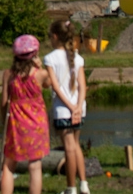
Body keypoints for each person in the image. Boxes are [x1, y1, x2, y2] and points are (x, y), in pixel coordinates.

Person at [0, 34, 51, 194]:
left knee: (8, 165)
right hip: (37, 124)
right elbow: (49, 85)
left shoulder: (8, 74)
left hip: (16, 124)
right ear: (35, 53)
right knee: (35, 166)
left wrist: (4, 121)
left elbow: (3, 102)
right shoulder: (40, 75)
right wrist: (40, 66)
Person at [44, 20, 89, 194]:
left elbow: (55, 86)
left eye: (50, 36)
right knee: (76, 145)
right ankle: (83, 183)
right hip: (80, 107)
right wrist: (78, 107)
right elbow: (83, 85)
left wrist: (70, 107)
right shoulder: (78, 58)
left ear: (55, 37)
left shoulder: (50, 58)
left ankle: (71, 188)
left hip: (63, 110)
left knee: (69, 148)